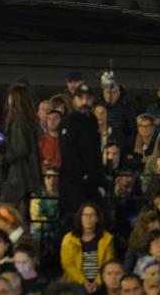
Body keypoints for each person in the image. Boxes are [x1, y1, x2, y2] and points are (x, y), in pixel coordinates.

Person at [0, 85, 41, 212]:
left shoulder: (18, 122)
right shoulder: (28, 121)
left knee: (8, 212)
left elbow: (20, 150)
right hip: (26, 176)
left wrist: (0, 158)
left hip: (18, 177)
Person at [59, 85, 102, 220]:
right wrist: (82, 174)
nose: (84, 102)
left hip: (92, 181)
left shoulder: (93, 121)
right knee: (75, 218)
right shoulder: (69, 121)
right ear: (74, 101)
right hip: (74, 183)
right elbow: (68, 153)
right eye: (80, 98)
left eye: (88, 98)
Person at [60, 202, 114, 293]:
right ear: (80, 218)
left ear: (97, 218)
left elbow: (108, 264)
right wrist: (84, 282)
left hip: (99, 282)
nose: (88, 218)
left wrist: (97, 282)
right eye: (85, 215)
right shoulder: (69, 239)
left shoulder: (107, 238)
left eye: (92, 215)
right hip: (75, 282)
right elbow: (67, 265)